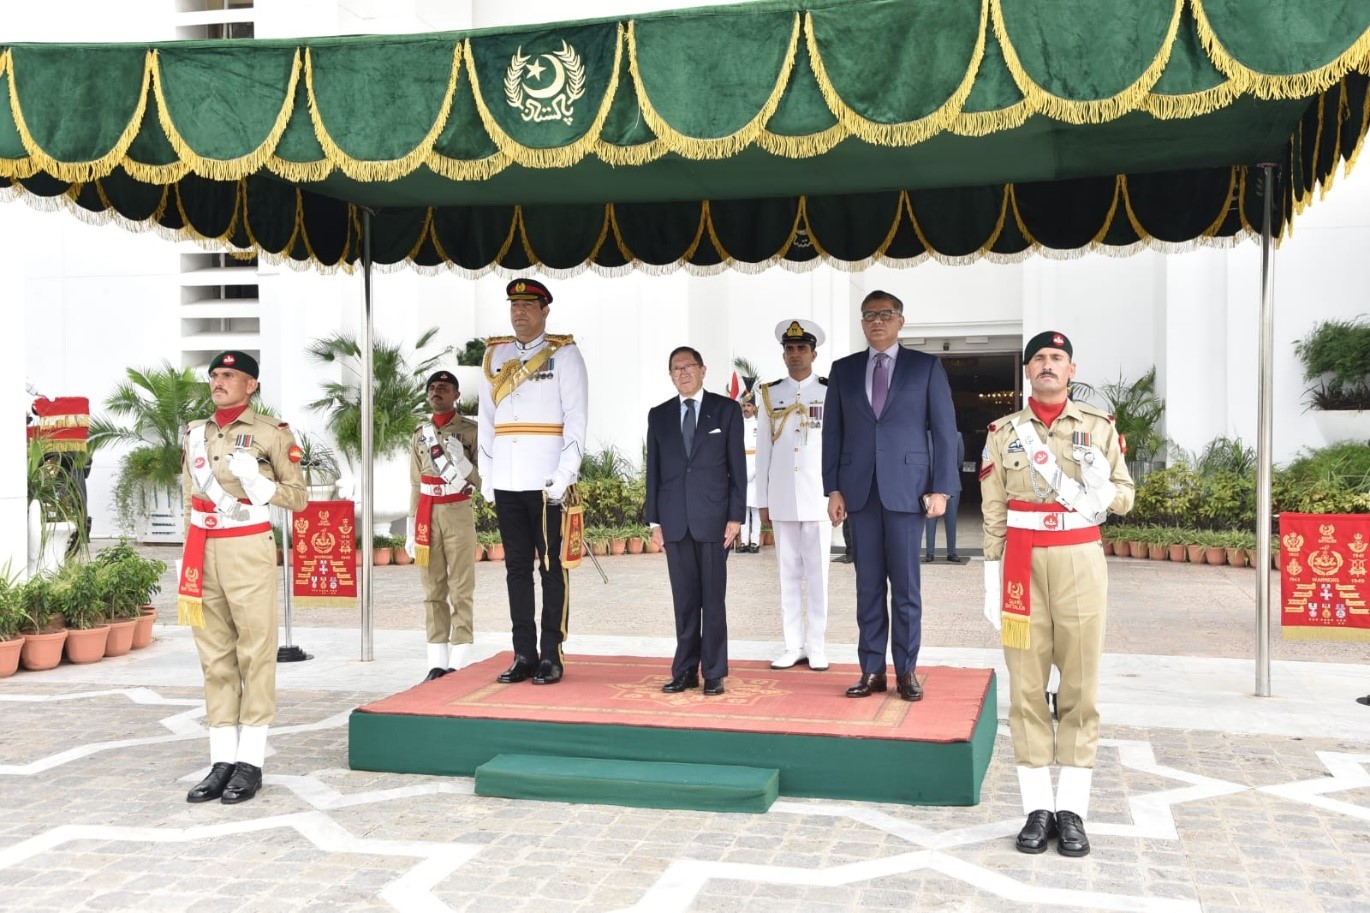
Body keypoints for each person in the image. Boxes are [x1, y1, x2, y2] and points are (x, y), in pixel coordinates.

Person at [981, 330, 1134, 858]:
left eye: (1057, 358)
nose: (1047, 365)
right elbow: (994, 508)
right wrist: (990, 577)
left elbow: (1125, 498)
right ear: (1027, 371)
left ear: (1071, 370)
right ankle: (1035, 809)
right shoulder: (1003, 431)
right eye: (1038, 359)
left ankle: (1071, 809)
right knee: (1025, 687)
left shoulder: (1098, 428)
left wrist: (1101, 487)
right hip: (1021, 563)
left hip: (1078, 558)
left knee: (1080, 685)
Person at [178, 350, 307, 804]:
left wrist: (260, 483)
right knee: (214, 657)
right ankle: (221, 760)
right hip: (202, 548)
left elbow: (298, 499)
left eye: (229, 375)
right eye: (215, 374)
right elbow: (189, 493)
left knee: (254, 652)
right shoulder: (196, 433)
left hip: (247, 547)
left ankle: (250, 761)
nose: (219, 381)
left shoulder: (272, 434)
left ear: (251, 384)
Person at [822, 290, 959, 701]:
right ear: (862, 323)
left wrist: (942, 488)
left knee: (905, 588)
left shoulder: (926, 368)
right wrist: (832, 488)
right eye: (869, 316)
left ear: (901, 320)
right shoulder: (843, 370)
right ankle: (870, 671)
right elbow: (833, 434)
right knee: (867, 588)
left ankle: (906, 671)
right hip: (859, 493)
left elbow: (945, 432)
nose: (876, 321)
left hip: (907, 492)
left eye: (885, 314)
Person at [478, 278, 589, 687]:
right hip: (507, 479)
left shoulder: (565, 355)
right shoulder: (495, 355)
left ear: (545, 310)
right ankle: (523, 652)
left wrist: (565, 474)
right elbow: (486, 422)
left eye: (528, 304)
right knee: (516, 569)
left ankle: (551, 653)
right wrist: (488, 477)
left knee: (552, 569)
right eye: (514, 305)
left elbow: (576, 419)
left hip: (546, 483)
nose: (519, 311)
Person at [646, 346, 746, 696]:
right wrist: (654, 522)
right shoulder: (658, 416)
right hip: (674, 521)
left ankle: (714, 671)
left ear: (703, 370)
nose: (683, 373)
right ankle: (685, 669)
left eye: (689, 366)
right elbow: (653, 473)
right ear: (670, 375)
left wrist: (736, 517)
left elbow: (738, 469)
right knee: (684, 600)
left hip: (714, 520)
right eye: (676, 368)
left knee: (713, 600)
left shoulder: (726, 410)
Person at [755, 319, 832, 671]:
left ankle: (816, 645)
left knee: (817, 575)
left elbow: (836, 447)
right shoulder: (770, 393)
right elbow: (763, 451)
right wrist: (763, 500)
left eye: (802, 348)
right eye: (790, 349)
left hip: (819, 498)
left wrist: (837, 493)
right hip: (784, 496)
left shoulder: (830, 392)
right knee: (787, 575)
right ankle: (792, 644)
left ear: (814, 353)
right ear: (783, 355)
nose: (795, 354)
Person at [406, 369, 480, 683]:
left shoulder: (471, 431)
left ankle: (459, 661)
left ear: (456, 395)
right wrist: (410, 525)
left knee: (461, 587)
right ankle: (435, 663)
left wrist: (465, 466)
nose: (437, 392)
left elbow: (483, 482)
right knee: (432, 588)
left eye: (444, 388)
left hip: (457, 510)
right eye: (433, 388)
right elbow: (413, 482)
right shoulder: (419, 433)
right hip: (426, 513)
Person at [924, 430, 968, 563]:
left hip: (952, 484)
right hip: (930, 483)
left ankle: (952, 552)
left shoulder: (957, 436)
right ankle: (929, 553)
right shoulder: (926, 436)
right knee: (930, 520)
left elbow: (959, 460)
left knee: (951, 520)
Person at [737, 394, 762, 553]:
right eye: (744, 406)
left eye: (749, 405)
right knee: (742, 508)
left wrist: (755, 470)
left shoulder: (759, 425)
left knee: (756, 509)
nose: (746, 408)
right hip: (740, 465)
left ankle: (755, 541)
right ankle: (743, 541)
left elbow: (762, 449)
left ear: (754, 407)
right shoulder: (737, 424)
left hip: (756, 466)